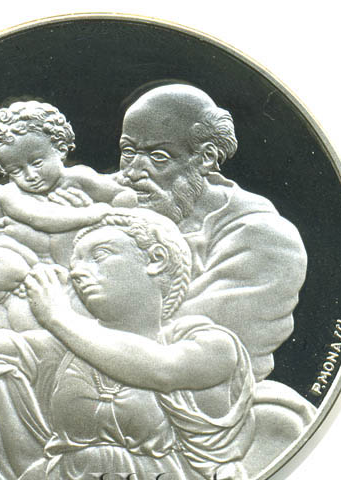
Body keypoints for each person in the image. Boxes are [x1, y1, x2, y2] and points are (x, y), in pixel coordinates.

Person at [9, 210, 256, 480]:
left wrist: (57, 316)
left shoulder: (212, 344)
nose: (77, 273)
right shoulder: (58, 348)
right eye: (75, 264)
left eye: (99, 255)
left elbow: (163, 371)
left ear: (155, 259)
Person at [118, 84, 308, 381]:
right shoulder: (114, 203)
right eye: (128, 152)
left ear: (206, 157)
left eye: (159, 157)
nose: (132, 172)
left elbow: (180, 346)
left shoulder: (265, 239)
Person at [0, 100, 136, 326]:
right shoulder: (12, 195)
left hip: (70, 261)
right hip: (23, 255)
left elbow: (123, 195)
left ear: (59, 149)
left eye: (36, 162)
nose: (30, 175)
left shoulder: (80, 177)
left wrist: (119, 210)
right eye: (16, 170)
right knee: (1, 267)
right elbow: (43, 220)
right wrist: (93, 214)